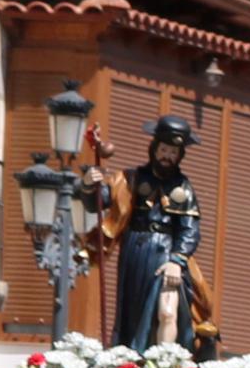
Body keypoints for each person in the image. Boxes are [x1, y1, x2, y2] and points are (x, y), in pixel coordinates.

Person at [89, 115, 213, 352]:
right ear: (154, 148)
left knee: (167, 310)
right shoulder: (130, 179)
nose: (167, 156)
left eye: (173, 152)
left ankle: (166, 363)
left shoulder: (183, 188)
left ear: (179, 155)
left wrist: (177, 260)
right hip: (135, 250)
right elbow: (98, 201)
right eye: (164, 149)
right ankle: (133, 358)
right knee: (133, 311)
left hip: (166, 254)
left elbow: (190, 229)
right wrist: (88, 184)